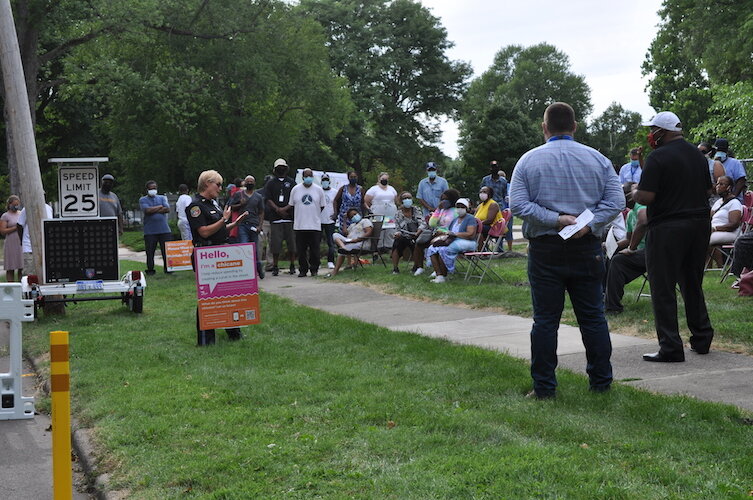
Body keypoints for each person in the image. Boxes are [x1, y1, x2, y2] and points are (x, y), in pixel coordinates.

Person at [510, 102, 624, 399]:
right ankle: (601, 382)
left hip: (546, 249)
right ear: (574, 126)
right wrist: (590, 224)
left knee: (545, 320)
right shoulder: (598, 159)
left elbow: (519, 205)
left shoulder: (528, 161)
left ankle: (544, 387)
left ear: (544, 127)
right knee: (593, 317)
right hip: (586, 247)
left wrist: (554, 219)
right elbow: (615, 201)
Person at [632, 111, 715, 362]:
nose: (650, 134)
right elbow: (709, 188)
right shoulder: (698, 156)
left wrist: (635, 192)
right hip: (699, 225)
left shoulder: (657, 157)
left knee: (663, 287)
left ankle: (670, 347)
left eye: (652, 129)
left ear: (661, 131)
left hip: (668, 227)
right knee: (692, 283)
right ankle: (702, 338)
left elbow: (647, 197)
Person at [186, 170, 248, 346]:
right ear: (207, 183)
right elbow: (204, 232)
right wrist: (224, 220)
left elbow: (219, 229)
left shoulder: (214, 204)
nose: (220, 188)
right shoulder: (196, 206)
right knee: (208, 297)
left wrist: (234, 223)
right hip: (206, 254)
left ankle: (234, 333)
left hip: (220, 252)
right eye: (218, 184)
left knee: (227, 294)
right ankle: (206, 339)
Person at [605, 184, 648, 314]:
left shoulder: (642, 206)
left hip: (654, 252)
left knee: (618, 261)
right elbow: (629, 240)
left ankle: (613, 308)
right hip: (640, 254)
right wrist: (610, 245)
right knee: (610, 257)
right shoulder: (630, 215)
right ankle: (605, 297)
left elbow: (644, 220)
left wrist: (631, 249)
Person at [425, 198, 478, 283]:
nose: (460, 209)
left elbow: (470, 234)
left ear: (467, 208)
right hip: (454, 240)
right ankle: (439, 274)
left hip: (468, 241)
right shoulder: (455, 220)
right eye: (458, 206)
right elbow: (449, 232)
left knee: (444, 249)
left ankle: (444, 274)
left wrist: (455, 234)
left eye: (462, 207)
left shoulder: (470, 218)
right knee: (432, 248)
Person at [288, 168, 326, 277]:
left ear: (313, 177)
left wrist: (314, 213)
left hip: (314, 225)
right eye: (306, 176)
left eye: (310, 175)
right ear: (303, 177)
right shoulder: (295, 189)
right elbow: (292, 205)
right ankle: (303, 270)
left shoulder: (318, 190)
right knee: (301, 250)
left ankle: (314, 269)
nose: (308, 178)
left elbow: (322, 206)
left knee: (315, 250)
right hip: (300, 225)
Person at [413, 188, 459, 276]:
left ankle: (437, 268)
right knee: (419, 244)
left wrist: (445, 232)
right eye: (442, 199)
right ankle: (419, 267)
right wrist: (438, 210)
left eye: (445, 199)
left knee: (434, 244)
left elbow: (456, 227)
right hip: (436, 233)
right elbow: (432, 223)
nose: (443, 201)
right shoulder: (441, 210)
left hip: (448, 235)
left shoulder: (456, 211)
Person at [229, 175, 265, 278]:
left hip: (254, 225)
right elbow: (231, 207)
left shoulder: (258, 197)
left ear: (254, 183)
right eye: (248, 181)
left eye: (251, 181)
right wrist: (240, 204)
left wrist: (260, 225)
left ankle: (258, 268)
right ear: (245, 183)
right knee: (244, 247)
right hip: (242, 224)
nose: (249, 183)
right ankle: (247, 271)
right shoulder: (238, 195)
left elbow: (261, 212)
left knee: (254, 249)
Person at [265, 158, 296, 276]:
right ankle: (275, 266)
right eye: (279, 167)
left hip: (289, 217)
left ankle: (292, 265)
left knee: (292, 243)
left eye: (283, 167)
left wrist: (286, 209)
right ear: (275, 170)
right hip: (276, 218)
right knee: (275, 244)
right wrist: (277, 209)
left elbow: (294, 198)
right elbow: (268, 199)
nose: (281, 169)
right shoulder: (271, 183)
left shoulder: (292, 182)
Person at [707, 176, 742, 267]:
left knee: (706, 238)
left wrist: (715, 228)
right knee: (700, 236)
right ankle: (708, 267)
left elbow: (734, 224)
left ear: (729, 187)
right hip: (715, 231)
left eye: (721, 184)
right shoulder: (718, 202)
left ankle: (719, 266)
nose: (717, 186)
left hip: (731, 233)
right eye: (717, 183)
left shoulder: (734, 203)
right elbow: (710, 218)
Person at [327, 208, 373, 277]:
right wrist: (345, 220)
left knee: (341, 253)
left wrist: (357, 239)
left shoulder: (365, 221)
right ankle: (343, 247)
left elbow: (369, 232)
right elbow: (345, 232)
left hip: (361, 243)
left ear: (358, 214)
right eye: (351, 216)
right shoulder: (352, 225)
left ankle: (335, 271)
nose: (354, 216)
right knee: (335, 235)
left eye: (355, 214)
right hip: (350, 242)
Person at [139, 180, 172, 275]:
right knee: (150, 252)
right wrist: (160, 207)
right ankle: (150, 270)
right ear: (147, 190)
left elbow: (167, 209)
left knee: (166, 252)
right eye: (151, 188)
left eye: (155, 188)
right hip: (150, 231)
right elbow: (147, 211)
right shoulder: (143, 200)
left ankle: (168, 269)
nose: (153, 190)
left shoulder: (162, 197)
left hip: (164, 230)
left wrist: (154, 209)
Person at [391, 192, 426, 274]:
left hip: (416, 234)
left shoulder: (416, 210)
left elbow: (423, 223)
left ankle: (416, 266)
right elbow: (397, 226)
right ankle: (395, 268)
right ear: (402, 201)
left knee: (416, 244)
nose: (407, 200)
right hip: (403, 235)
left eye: (409, 198)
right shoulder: (398, 213)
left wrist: (418, 231)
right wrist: (398, 233)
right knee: (397, 243)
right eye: (405, 198)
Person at [17, 201, 54, 276]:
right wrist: (21, 240)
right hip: (29, 246)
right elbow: (19, 224)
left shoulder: (48, 208)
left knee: (44, 273)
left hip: (44, 246)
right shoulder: (26, 208)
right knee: (29, 272)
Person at [364, 171, 398, 251]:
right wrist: (370, 210)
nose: (384, 180)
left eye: (386, 179)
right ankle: (377, 248)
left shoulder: (391, 188)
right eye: (383, 179)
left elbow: (396, 200)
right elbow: (366, 201)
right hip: (377, 212)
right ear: (379, 179)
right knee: (378, 229)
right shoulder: (373, 189)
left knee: (390, 229)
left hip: (390, 212)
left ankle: (389, 247)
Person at [0, 196, 23, 282]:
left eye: (17, 204)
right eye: (14, 205)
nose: (16, 206)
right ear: (9, 204)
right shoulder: (5, 216)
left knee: (21, 267)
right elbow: (2, 231)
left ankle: (21, 287)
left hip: (20, 242)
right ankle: (11, 287)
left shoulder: (21, 214)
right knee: (10, 267)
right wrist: (15, 228)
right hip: (10, 243)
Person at [320, 173, 337, 269]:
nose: (325, 182)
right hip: (319, 220)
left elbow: (336, 203)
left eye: (326, 180)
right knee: (316, 242)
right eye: (323, 180)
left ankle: (330, 261)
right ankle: (316, 261)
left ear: (329, 181)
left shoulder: (334, 192)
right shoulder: (318, 191)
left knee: (331, 242)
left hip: (330, 220)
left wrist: (335, 215)